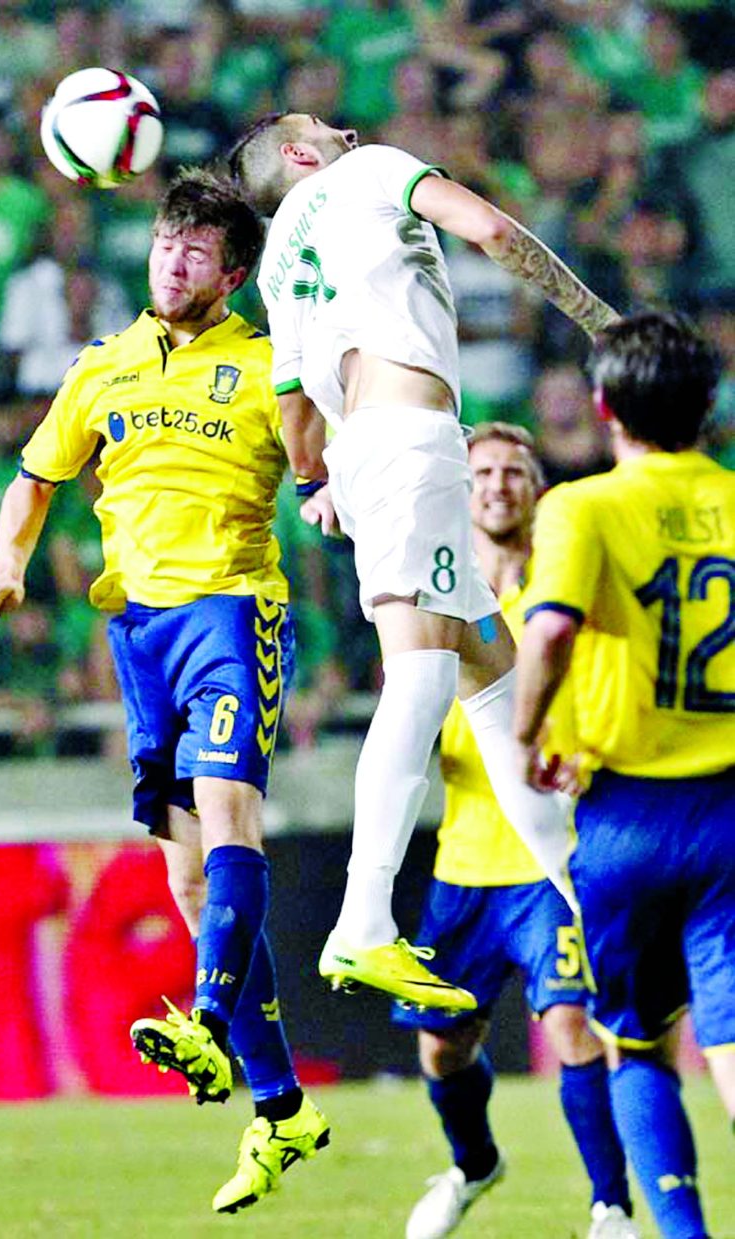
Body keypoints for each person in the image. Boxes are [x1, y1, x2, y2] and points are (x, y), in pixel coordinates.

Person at [0, 168, 328, 1215]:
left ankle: (202, 1017)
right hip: (137, 633)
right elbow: (36, 477)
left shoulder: (262, 367)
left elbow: (317, 468)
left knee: (227, 812)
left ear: (232, 274)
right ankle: (282, 1109)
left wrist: (332, 483)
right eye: (166, 243)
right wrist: (9, 565)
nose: (173, 259)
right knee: (188, 884)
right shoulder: (104, 366)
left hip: (227, 611)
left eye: (197, 250)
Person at [228, 111, 618, 1007]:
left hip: (367, 457)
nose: (343, 128)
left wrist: (318, 481)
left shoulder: (281, 260)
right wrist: (600, 322)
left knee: (492, 678)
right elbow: (491, 229)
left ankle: (587, 905)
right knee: (424, 671)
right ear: (297, 153)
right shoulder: (369, 173)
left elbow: (294, 409)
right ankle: (363, 920)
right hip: (410, 442)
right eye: (322, 126)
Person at [514, 311, 734, 1239]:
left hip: (629, 814)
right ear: (707, 407)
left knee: (637, 1040)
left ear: (604, 407)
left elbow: (553, 627)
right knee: (728, 1035)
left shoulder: (582, 507)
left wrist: (527, 733)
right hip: (729, 802)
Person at [395, 424, 636, 1239]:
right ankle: (473, 1165)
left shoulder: (566, 589)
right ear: (463, 490)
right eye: (483, 471)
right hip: (463, 861)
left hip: (551, 856)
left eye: (513, 471)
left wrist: (588, 753)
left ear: (536, 488)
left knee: (570, 1023)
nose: (497, 484)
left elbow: (611, 685)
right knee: (442, 1049)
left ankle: (610, 1208)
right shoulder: (438, 596)